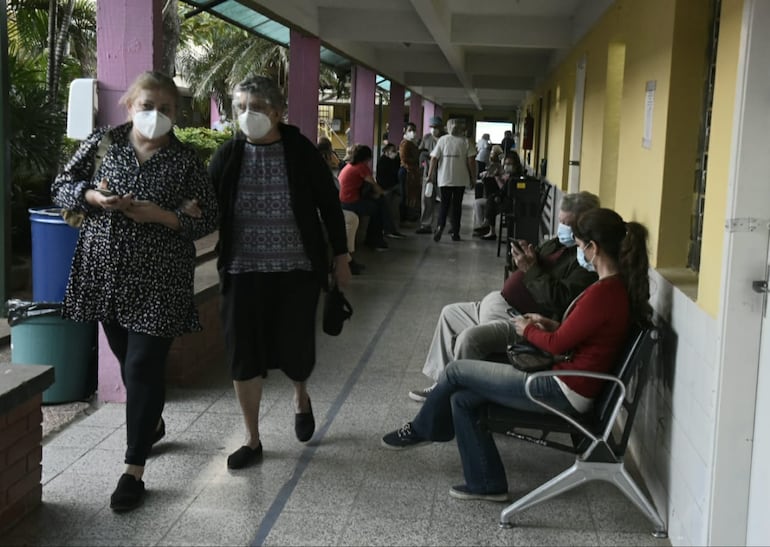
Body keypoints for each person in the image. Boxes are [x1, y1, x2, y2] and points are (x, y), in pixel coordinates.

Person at [382, 208, 652, 503]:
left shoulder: (604, 293)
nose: (578, 251)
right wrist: (550, 325)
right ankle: (487, 483)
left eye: (578, 245)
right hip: (570, 382)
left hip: (560, 389)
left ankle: (422, 429)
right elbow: (576, 335)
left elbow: (557, 345)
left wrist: (527, 330)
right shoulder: (612, 290)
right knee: (462, 400)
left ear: (593, 247)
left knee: (456, 371)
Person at [51, 71, 219, 512]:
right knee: (129, 361)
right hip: (105, 272)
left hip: (161, 277)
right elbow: (61, 185)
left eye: (166, 108)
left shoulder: (186, 161)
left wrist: (162, 217)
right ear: (129, 105)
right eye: (147, 105)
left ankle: (133, 469)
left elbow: (209, 217)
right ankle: (151, 422)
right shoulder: (105, 143)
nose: (155, 115)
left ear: (176, 113)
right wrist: (92, 197)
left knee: (144, 364)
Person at [208, 75, 351, 470]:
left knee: (296, 350)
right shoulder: (228, 155)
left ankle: (300, 395)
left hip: (296, 270)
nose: (247, 115)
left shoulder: (300, 151)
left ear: (277, 112)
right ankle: (252, 439)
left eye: (256, 107)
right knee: (243, 355)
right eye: (240, 108)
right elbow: (204, 204)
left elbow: (329, 205)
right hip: (241, 270)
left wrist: (340, 258)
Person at [408, 191, 601, 401]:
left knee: (469, 338)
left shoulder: (584, 262)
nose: (560, 226)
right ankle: (441, 384)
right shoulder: (557, 243)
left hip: (521, 318)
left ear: (582, 224)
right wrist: (524, 256)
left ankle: (452, 399)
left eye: (566, 223)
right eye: (560, 220)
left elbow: (558, 299)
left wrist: (530, 268)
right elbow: (533, 268)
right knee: (449, 313)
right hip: (498, 303)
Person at [339, 144, 404, 249]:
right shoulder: (361, 167)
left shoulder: (350, 165)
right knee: (377, 208)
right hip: (350, 202)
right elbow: (374, 184)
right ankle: (377, 238)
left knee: (380, 202)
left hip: (345, 200)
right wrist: (382, 192)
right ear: (366, 158)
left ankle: (385, 232)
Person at [428, 118, 476, 242]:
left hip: (444, 178)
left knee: (444, 204)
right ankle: (455, 232)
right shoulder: (466, 141)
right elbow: (471, 161)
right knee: (457, 206)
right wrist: (473, 178)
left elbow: (434, 159)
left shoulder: (442, 140)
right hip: (460, 179)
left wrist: (430, 175)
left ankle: (440, 226)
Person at [478, 151, 525, 241]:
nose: (507, 166)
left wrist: (498, 196)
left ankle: (488, 226)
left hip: (513, 204)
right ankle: (487, 224)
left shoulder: (514, 178)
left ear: (516, 164)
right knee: (491, 199)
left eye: (510, 164)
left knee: (491, 201)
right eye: (506, 163)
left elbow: (506, 191)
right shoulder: (513, 175)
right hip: (512, 201)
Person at [416, 116, 444, 234]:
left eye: (436, 127)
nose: (433, 129)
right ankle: (426, 225)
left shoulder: (445, 139)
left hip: (443, 173)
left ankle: (446, 225)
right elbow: (421, 152)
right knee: (427, 199)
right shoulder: (426, 138)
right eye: (431, 127)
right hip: (429, 174)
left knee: (446, 200)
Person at [376, 142, 404, 238]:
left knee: (394, 211)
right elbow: (382, 177)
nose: (395, 153)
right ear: (386, 151)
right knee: (390, 211)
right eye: (393, 151)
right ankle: (389, 230)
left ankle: (393, 230)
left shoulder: (393, 160)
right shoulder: (382, 161)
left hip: (393, 187)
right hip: (387, 189)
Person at [398, 122, 422, 222]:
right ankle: (404, 217)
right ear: (405, 131)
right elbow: (404, 158)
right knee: (406, 194)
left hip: (413, 171)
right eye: (410, 130)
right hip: (407, 171)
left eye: (414, 130)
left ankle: (410, 215)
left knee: (412, 193)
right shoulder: (405, 143)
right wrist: (417, 159)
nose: (412, 132)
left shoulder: (413, 143)